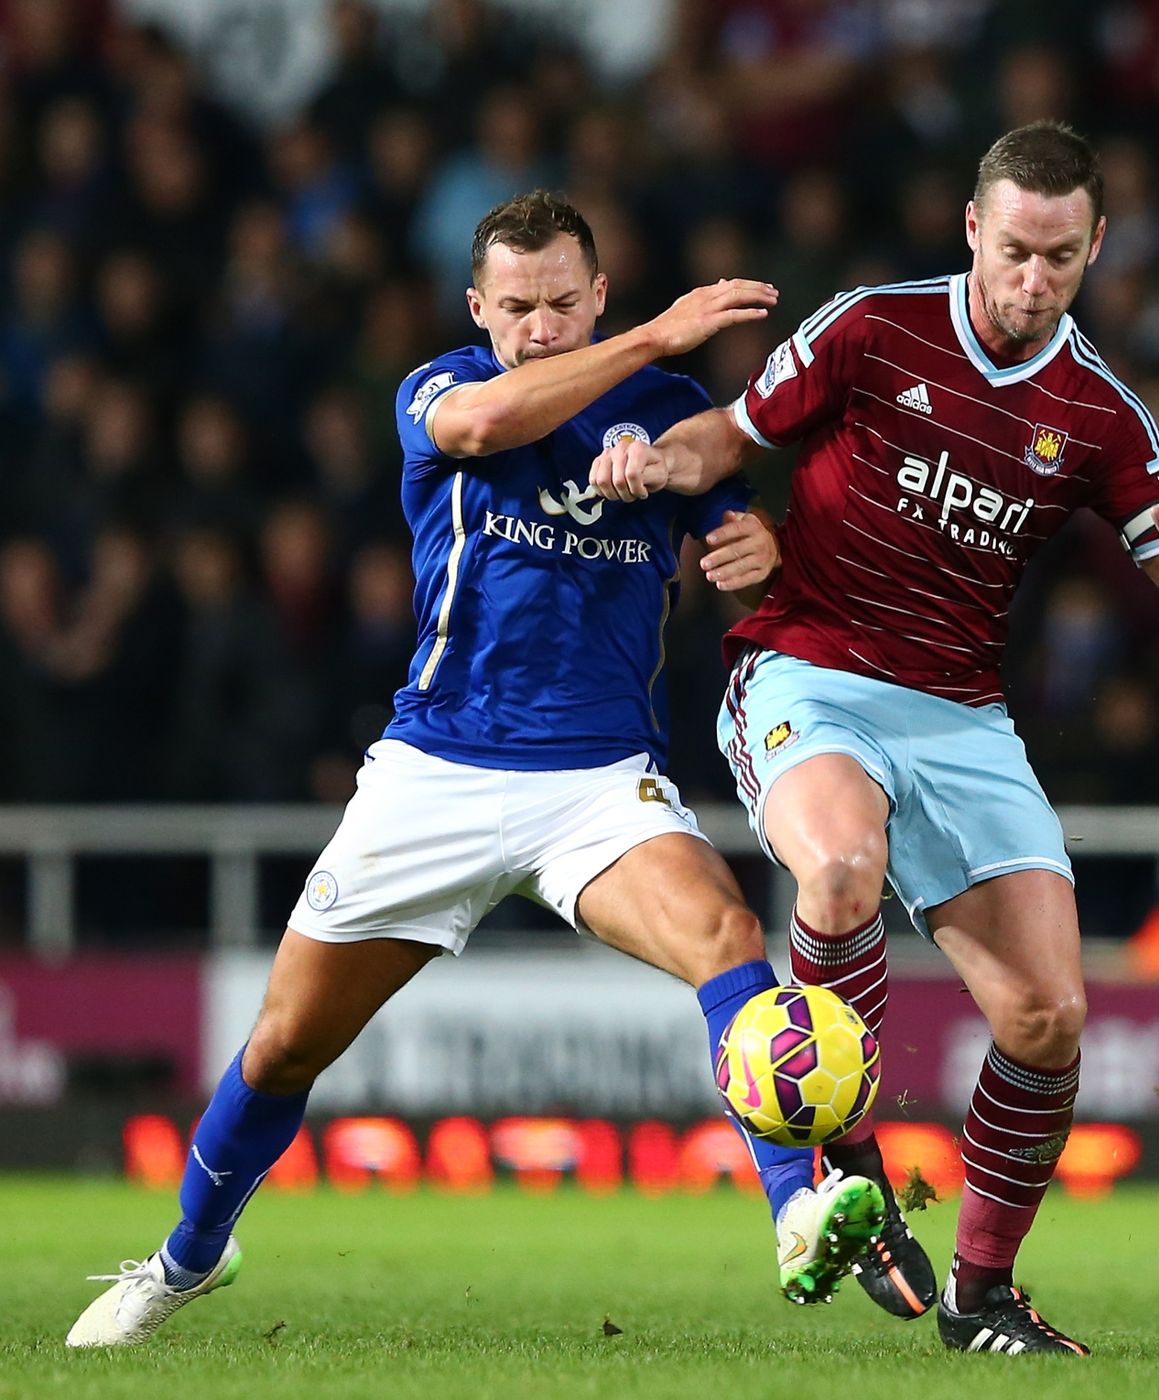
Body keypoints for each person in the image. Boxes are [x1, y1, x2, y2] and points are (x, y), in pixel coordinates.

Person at [66, 191, 885, 1348]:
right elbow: (484, 424)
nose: (540, 327)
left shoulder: (666, 411)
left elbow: (732, 531)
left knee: (726, 934)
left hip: (596, 782)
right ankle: (185, 1257)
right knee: (285, 1042)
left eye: (561, 302)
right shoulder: (438, 387)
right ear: (476, 309)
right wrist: (654, 334)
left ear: (595, 293)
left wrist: (746, 544)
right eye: (516, 307)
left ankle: (796, 1210)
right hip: (434, 773)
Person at [590, 123, 1159, 1355]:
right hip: (808, 670)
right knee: (839, 866)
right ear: (971, 228)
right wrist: (653, 460)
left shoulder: (1098, 412)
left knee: (1047, 1014)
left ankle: (978, 1294)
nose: (1031, 282)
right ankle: (852, 1174)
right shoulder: (873, 327)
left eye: (1059, 258)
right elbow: (731, 433)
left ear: (1096, 245)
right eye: (1013, 251)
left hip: (960, 713)